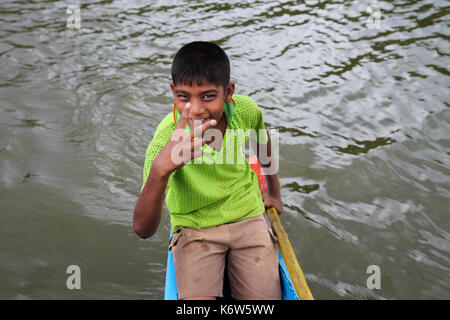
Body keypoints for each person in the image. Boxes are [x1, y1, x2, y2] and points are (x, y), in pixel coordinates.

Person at [133, 41, 283, 300]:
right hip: (195, 228)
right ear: (173, 92)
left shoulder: (245, 109)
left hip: (247, 215)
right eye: (183, 97)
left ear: (228, 92)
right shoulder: (165, 139)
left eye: (207, 96)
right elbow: (142, 229)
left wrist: (274, 192)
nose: (196, 109)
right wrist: (162, 169)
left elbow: (262, 142)